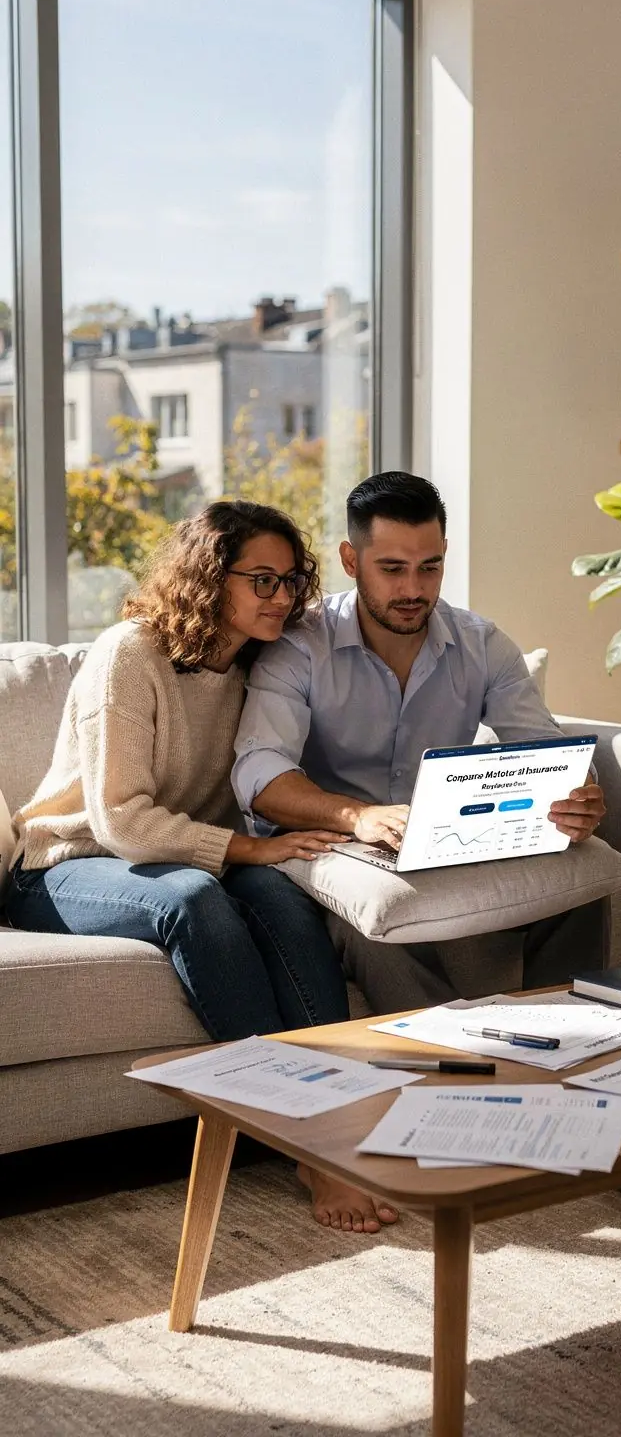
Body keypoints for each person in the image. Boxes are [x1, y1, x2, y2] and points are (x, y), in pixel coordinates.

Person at [7, 499, 397, 1235]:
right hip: (63, 864)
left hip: (184, 855)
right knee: (193, 898)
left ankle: (341, 1110)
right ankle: (305, 1142)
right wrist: (251, 849)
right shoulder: (130, 654)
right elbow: (121, 817)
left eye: (290, 581)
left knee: (284, 899)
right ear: (209, 579)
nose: (281, 598)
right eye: (262, 580)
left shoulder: (261, 662)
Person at [232, 472, 608, 1013]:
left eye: (429, 567)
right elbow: (260, 773)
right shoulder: (300, 646)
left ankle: (570, 1047)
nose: (413, 590)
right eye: (392, 569)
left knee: (582, 881)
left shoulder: (483, 644)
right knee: (381, 924)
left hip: (446, 842)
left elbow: (542, 746)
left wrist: (578, 794)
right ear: (350, 559)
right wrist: (358, 816)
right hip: (336, 845)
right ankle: (447, 1072)